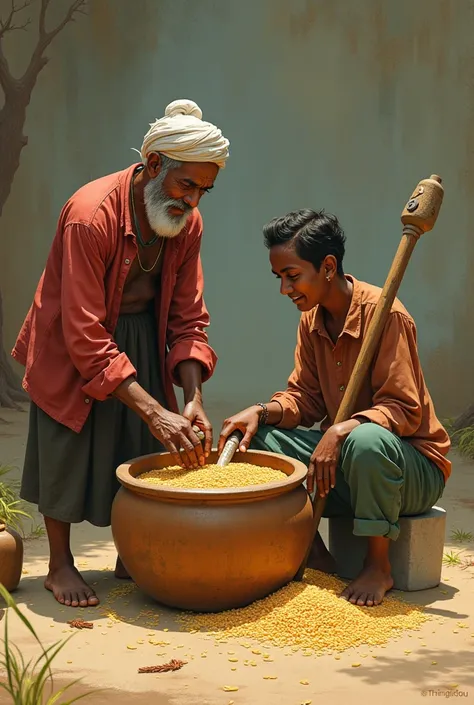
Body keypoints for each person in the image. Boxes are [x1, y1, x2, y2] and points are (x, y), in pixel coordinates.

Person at [12, 99, 230, 608]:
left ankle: (129, 554)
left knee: (141, 449)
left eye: (204, 190)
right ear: (155, 166)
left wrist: (190, 396)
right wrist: (155, 409)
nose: (194, 200)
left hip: (143, 336)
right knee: (68, 442)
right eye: (186, 185)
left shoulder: (186, 224)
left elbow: (188, 314)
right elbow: (84, 330)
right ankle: (60, 564)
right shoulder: (90, 216)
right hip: (74, 335)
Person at [218, 208, 450, 607]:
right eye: (279, 279)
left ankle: (378, 566)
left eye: (292, 276)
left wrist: (340, 430)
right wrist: (261, 411)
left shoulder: (386, 313)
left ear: (327, 267)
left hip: (410, 469)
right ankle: (313, 552)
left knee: (366, 441)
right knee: (261, 441)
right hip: (347, 465)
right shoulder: (311, 320)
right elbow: (305, 399)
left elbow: (403, 408)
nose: (284, 289)